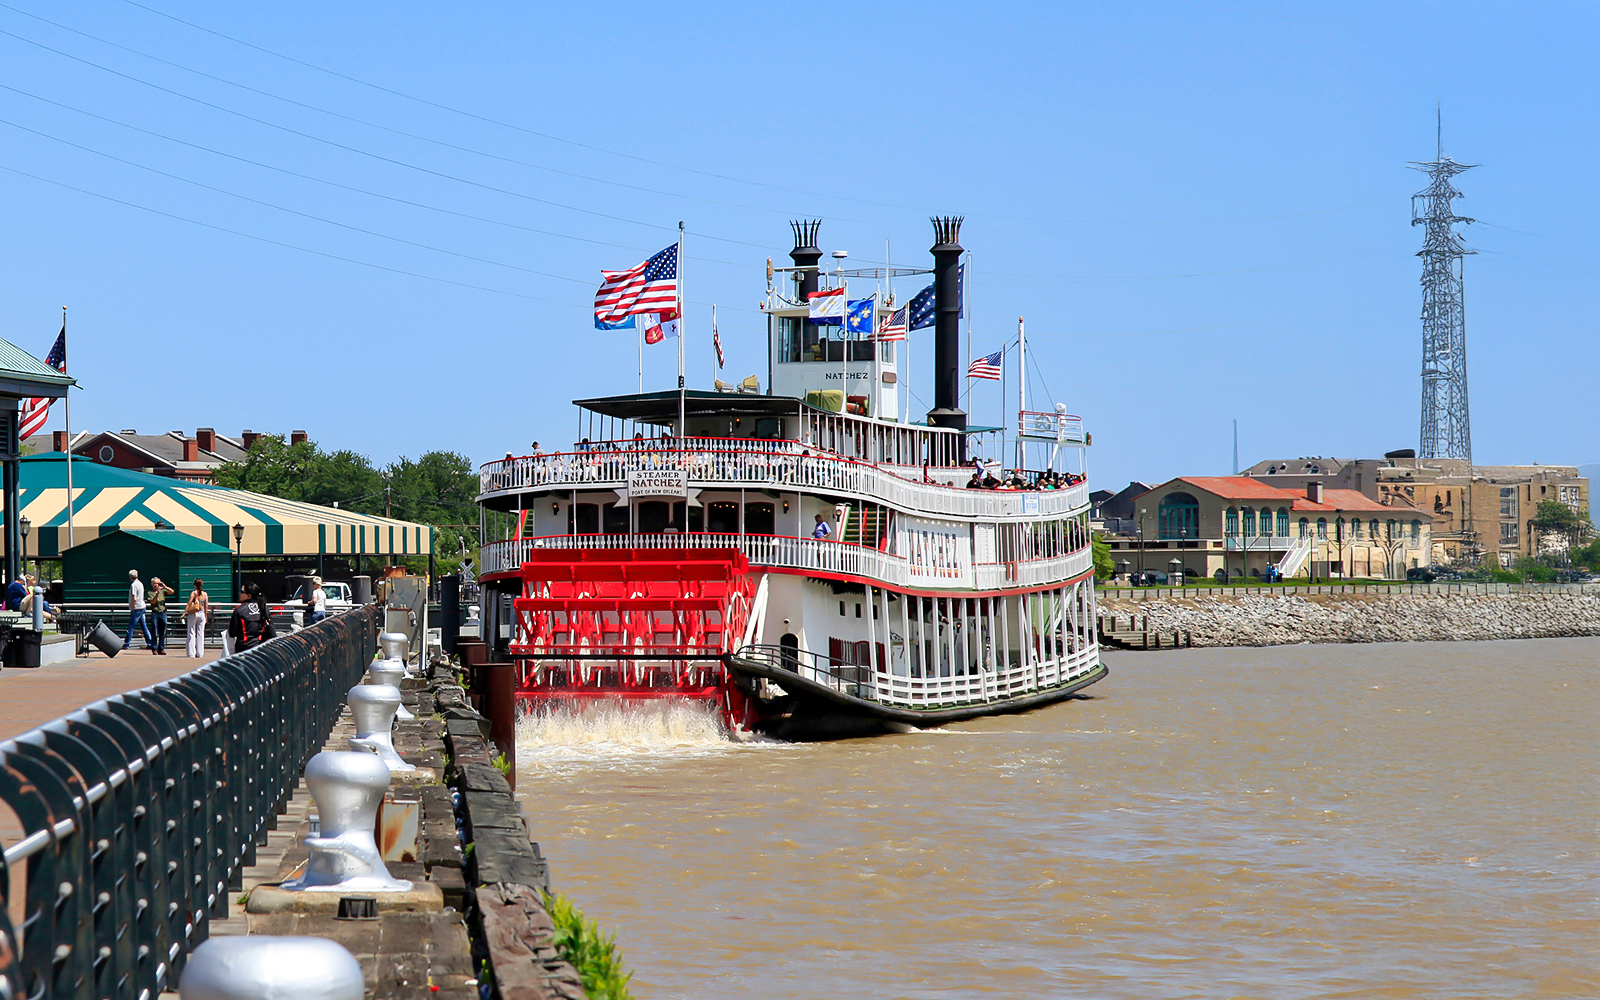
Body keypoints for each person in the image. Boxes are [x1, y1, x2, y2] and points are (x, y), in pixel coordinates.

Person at [228, 581, 275, 652]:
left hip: (243, 649)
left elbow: (232, 632)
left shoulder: (239, 609)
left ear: (249, 595)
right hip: (261, 647)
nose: (239, 593)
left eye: (242, 591)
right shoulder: (263, 607)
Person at [125, 569, 154, 651]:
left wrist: (132, 607)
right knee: (144, 626)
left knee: (131, 626)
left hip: (137, 608)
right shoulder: (140, 584)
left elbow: (134, 597)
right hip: (142, 606)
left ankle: (126, 644)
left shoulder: (133, 585)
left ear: (130, 577)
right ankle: (150, 642)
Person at [146, 576, 175, 655]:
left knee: (163, 631)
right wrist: (157, 594)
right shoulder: (150, 593)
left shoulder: (163, 591)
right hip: (155, 612)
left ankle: (161, 648)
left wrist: (165, 587)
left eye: (158, 583)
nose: (156, 585)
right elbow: (153, 602)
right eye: (154, 583)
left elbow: (172, 592)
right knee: (155, 631)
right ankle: (154, 648)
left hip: (163, 612)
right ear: (152, 584)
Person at [185, 578, 210, 657]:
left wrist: (185, 612)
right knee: (200, 633)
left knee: (191, 632)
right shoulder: (205, 594)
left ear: (195, 585)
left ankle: (191, 653)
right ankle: (200, 653)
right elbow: (206, 606)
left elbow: (189, 603)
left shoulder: (194, 593)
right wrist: (206, 616)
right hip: (202, 614)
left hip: (194, 613)